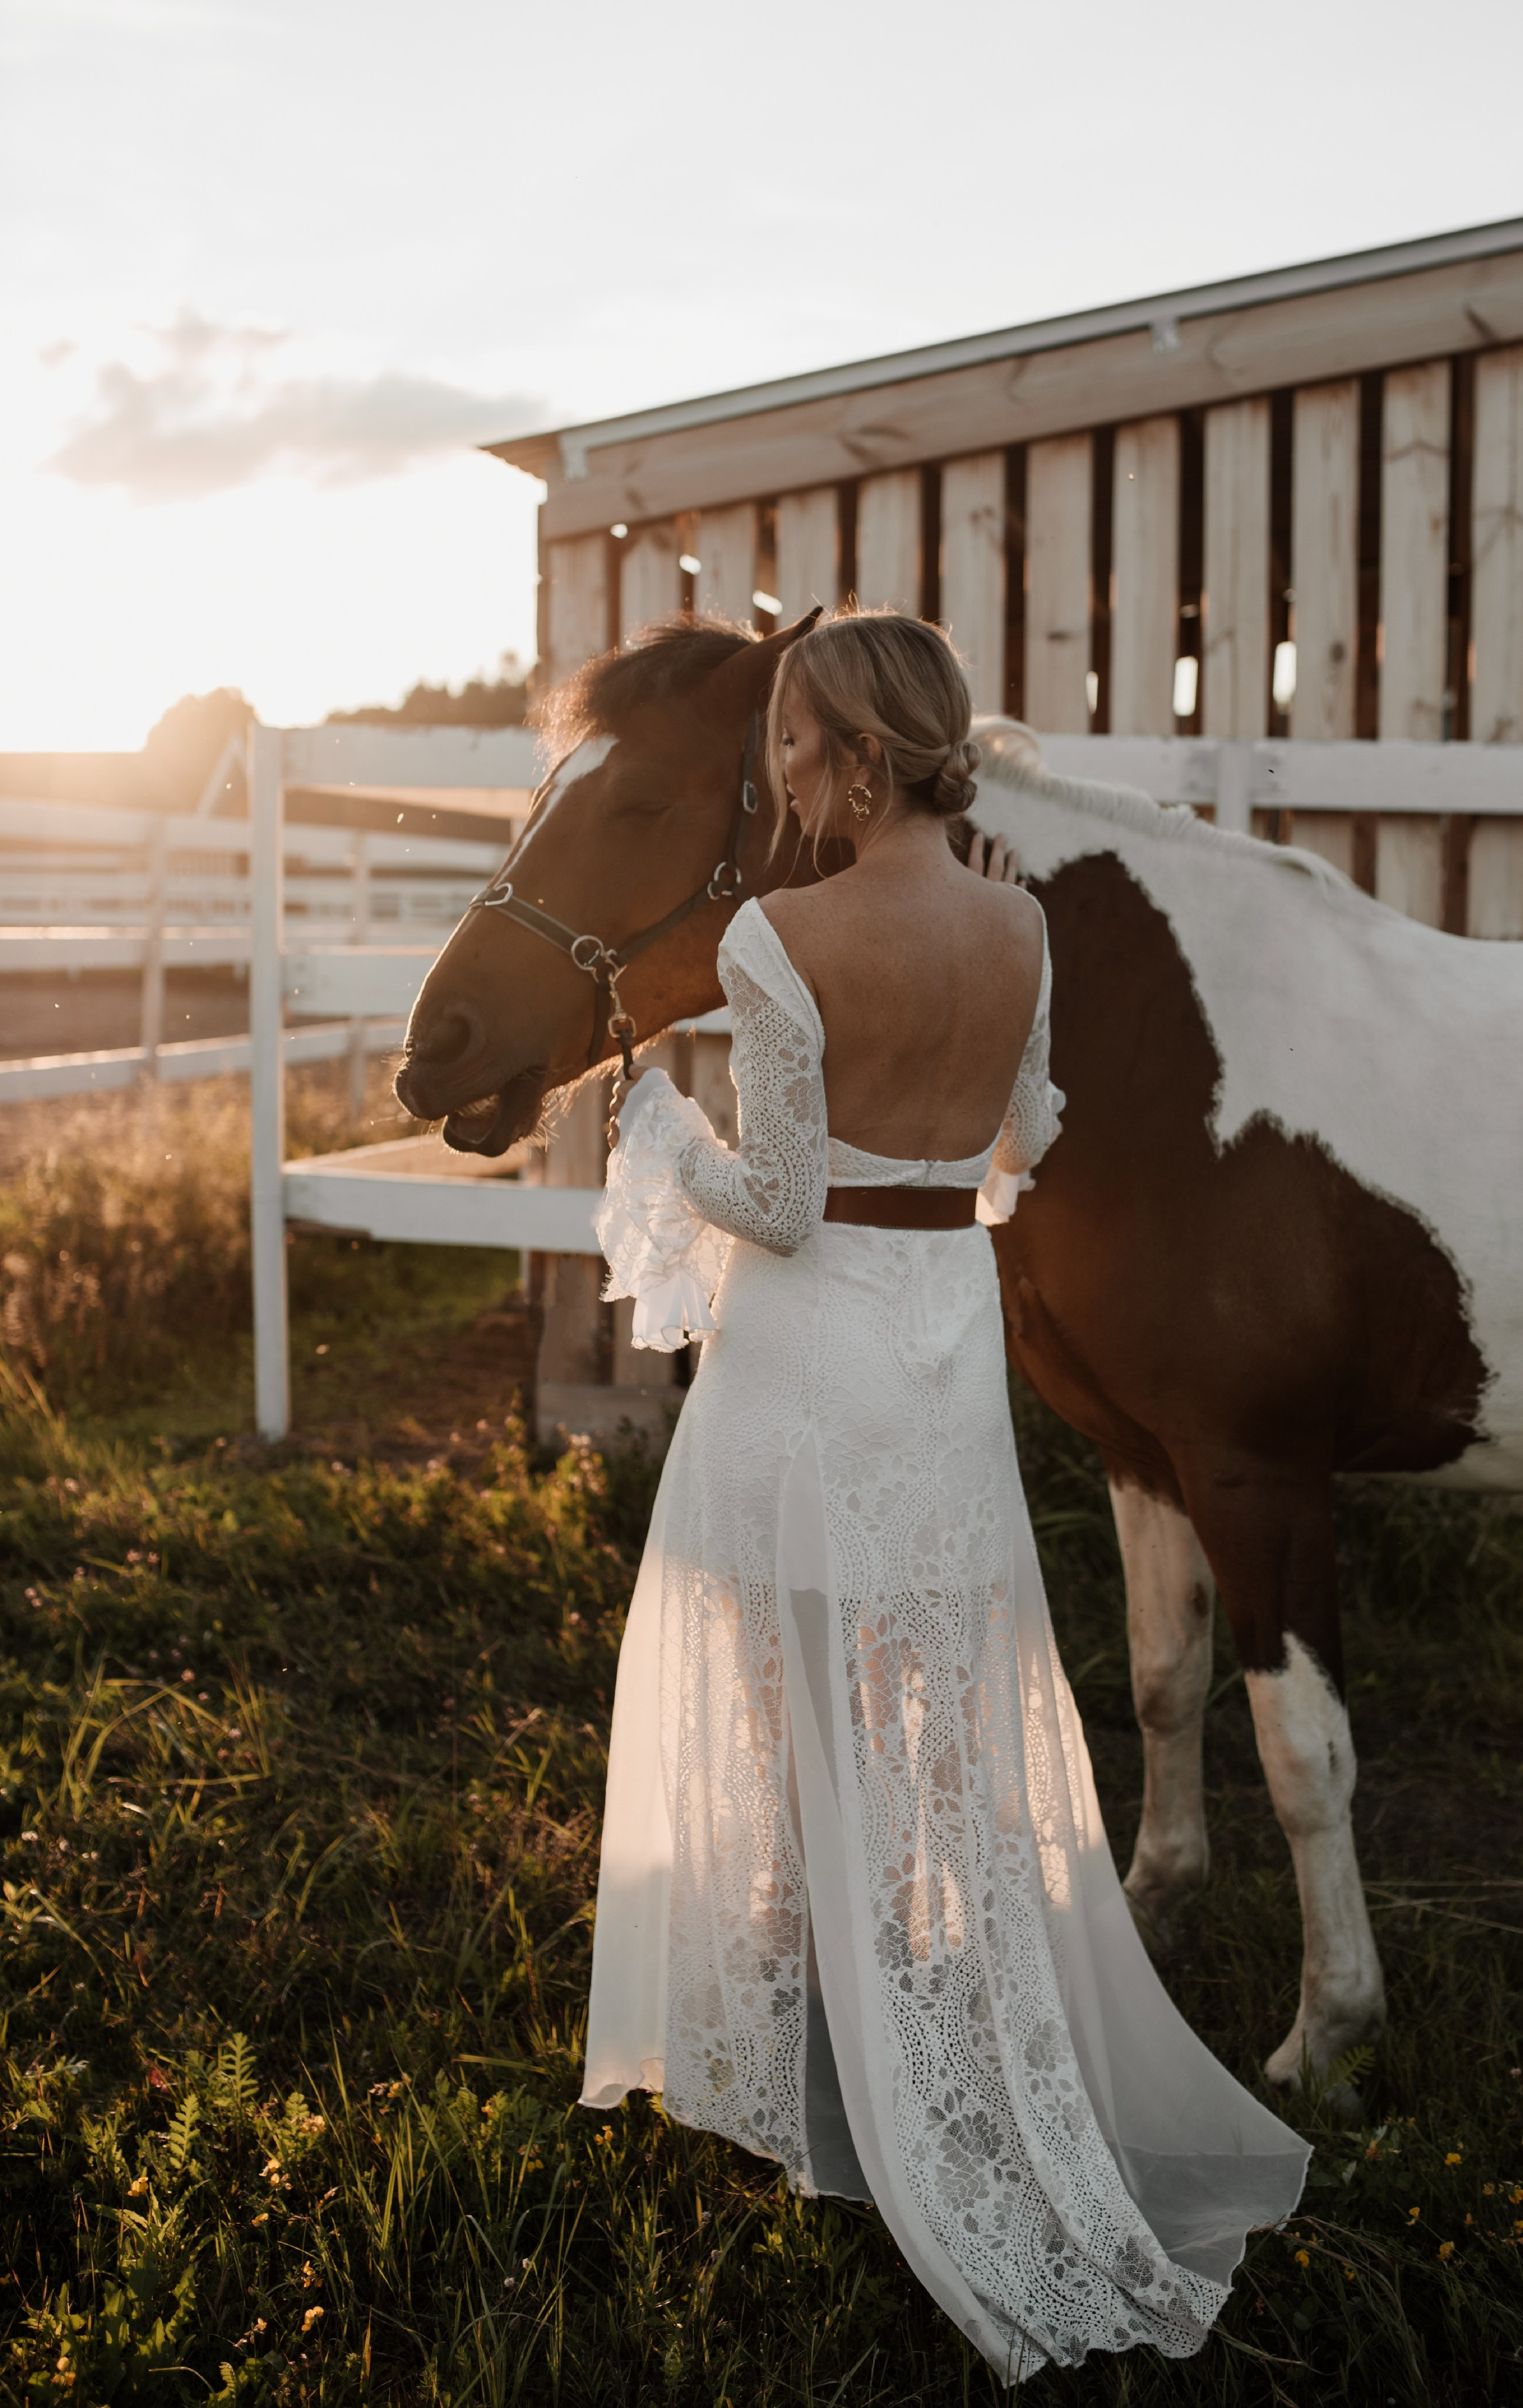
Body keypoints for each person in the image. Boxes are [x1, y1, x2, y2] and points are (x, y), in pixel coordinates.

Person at [584, 608, 1308, 2380]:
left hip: (807, 1358)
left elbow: (770, 1204)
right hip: (941, 1352)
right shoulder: (1023, 923)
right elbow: (1028, 1138)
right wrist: (930, 1178)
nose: (782, 783)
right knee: (930, 1699)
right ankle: (923, 2033)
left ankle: (832, 2070)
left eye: (791, 752)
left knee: (788, 1698)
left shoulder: (775, 934)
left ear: (844, 754)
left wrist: (660, 1134)